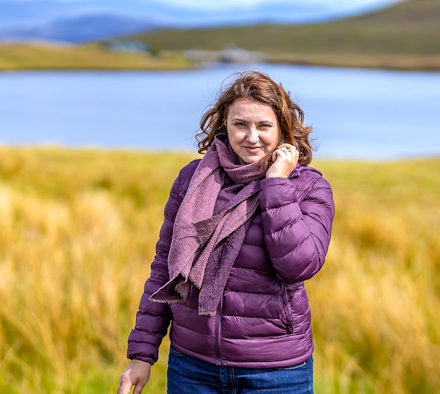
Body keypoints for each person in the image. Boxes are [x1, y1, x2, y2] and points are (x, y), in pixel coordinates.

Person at [117, 70, 335, 394]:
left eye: (263, 126)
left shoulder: (308, 187)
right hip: (193, 366)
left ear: (282, 128)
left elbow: (299, 266)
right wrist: (142, 355)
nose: (252, 136)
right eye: (240, 124)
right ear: (225, 125)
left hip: (275, 372)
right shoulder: (195, 179)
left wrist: (276, 184)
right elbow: (165, 266)